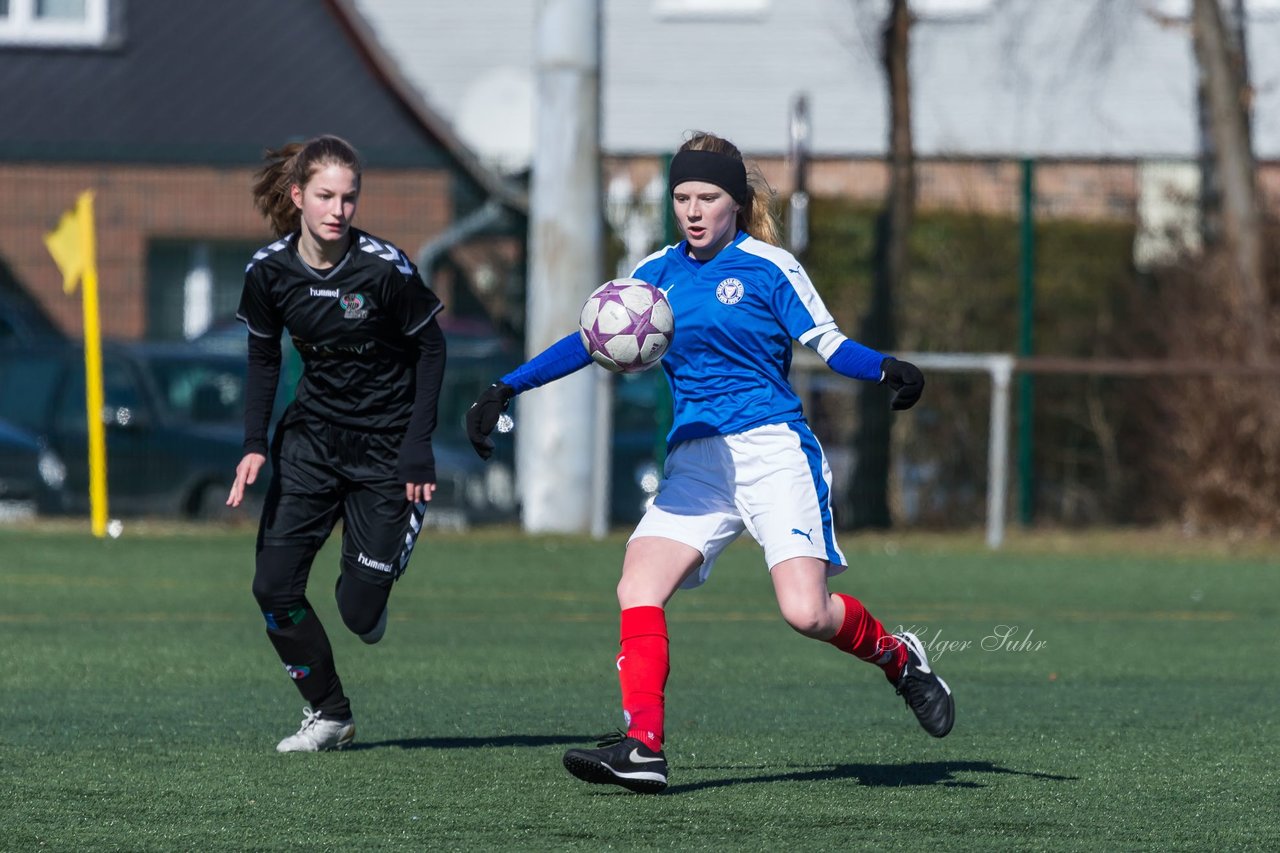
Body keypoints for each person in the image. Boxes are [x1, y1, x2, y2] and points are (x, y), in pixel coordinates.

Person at [466, 131, 952, 793]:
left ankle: (899, 658)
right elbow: (590, 340)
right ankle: (643, 745)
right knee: (637, 584)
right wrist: (506, 386)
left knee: (806, 612)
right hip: (696, 457)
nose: (693, 210)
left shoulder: (768, 267)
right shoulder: (654, 274)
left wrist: (887, 368)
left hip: (772, 450)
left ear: (737, 201)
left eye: (708, 196)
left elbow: (829, 343)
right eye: (683, 197)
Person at [227, 135, 446, 753]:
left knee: (357, 611)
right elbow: (264, 356)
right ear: (298, 196)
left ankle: (373, 574)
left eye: (349, 198)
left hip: (386, 450)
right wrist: (253, 444)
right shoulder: (268, 272)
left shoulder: (385, 269)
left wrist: (417, 448)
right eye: (325, 195)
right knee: (273, 586)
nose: (338, 209)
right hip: (312, 442)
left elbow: (432, 348)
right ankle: (329, 713)